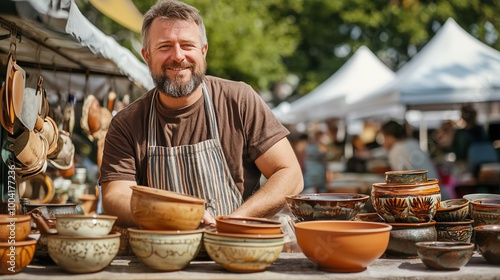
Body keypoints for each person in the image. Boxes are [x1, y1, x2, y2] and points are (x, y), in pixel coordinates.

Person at [99, 0, 303, 228]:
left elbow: (290, 174)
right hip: (164, 257)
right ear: (147, 56)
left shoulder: (239, 100)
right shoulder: (127, 124)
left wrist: (232, 222)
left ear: (203, 51)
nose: (178, 56)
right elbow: (115, 196)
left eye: (187, 45)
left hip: (237, 247)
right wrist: (171, 216)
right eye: (165, 46)